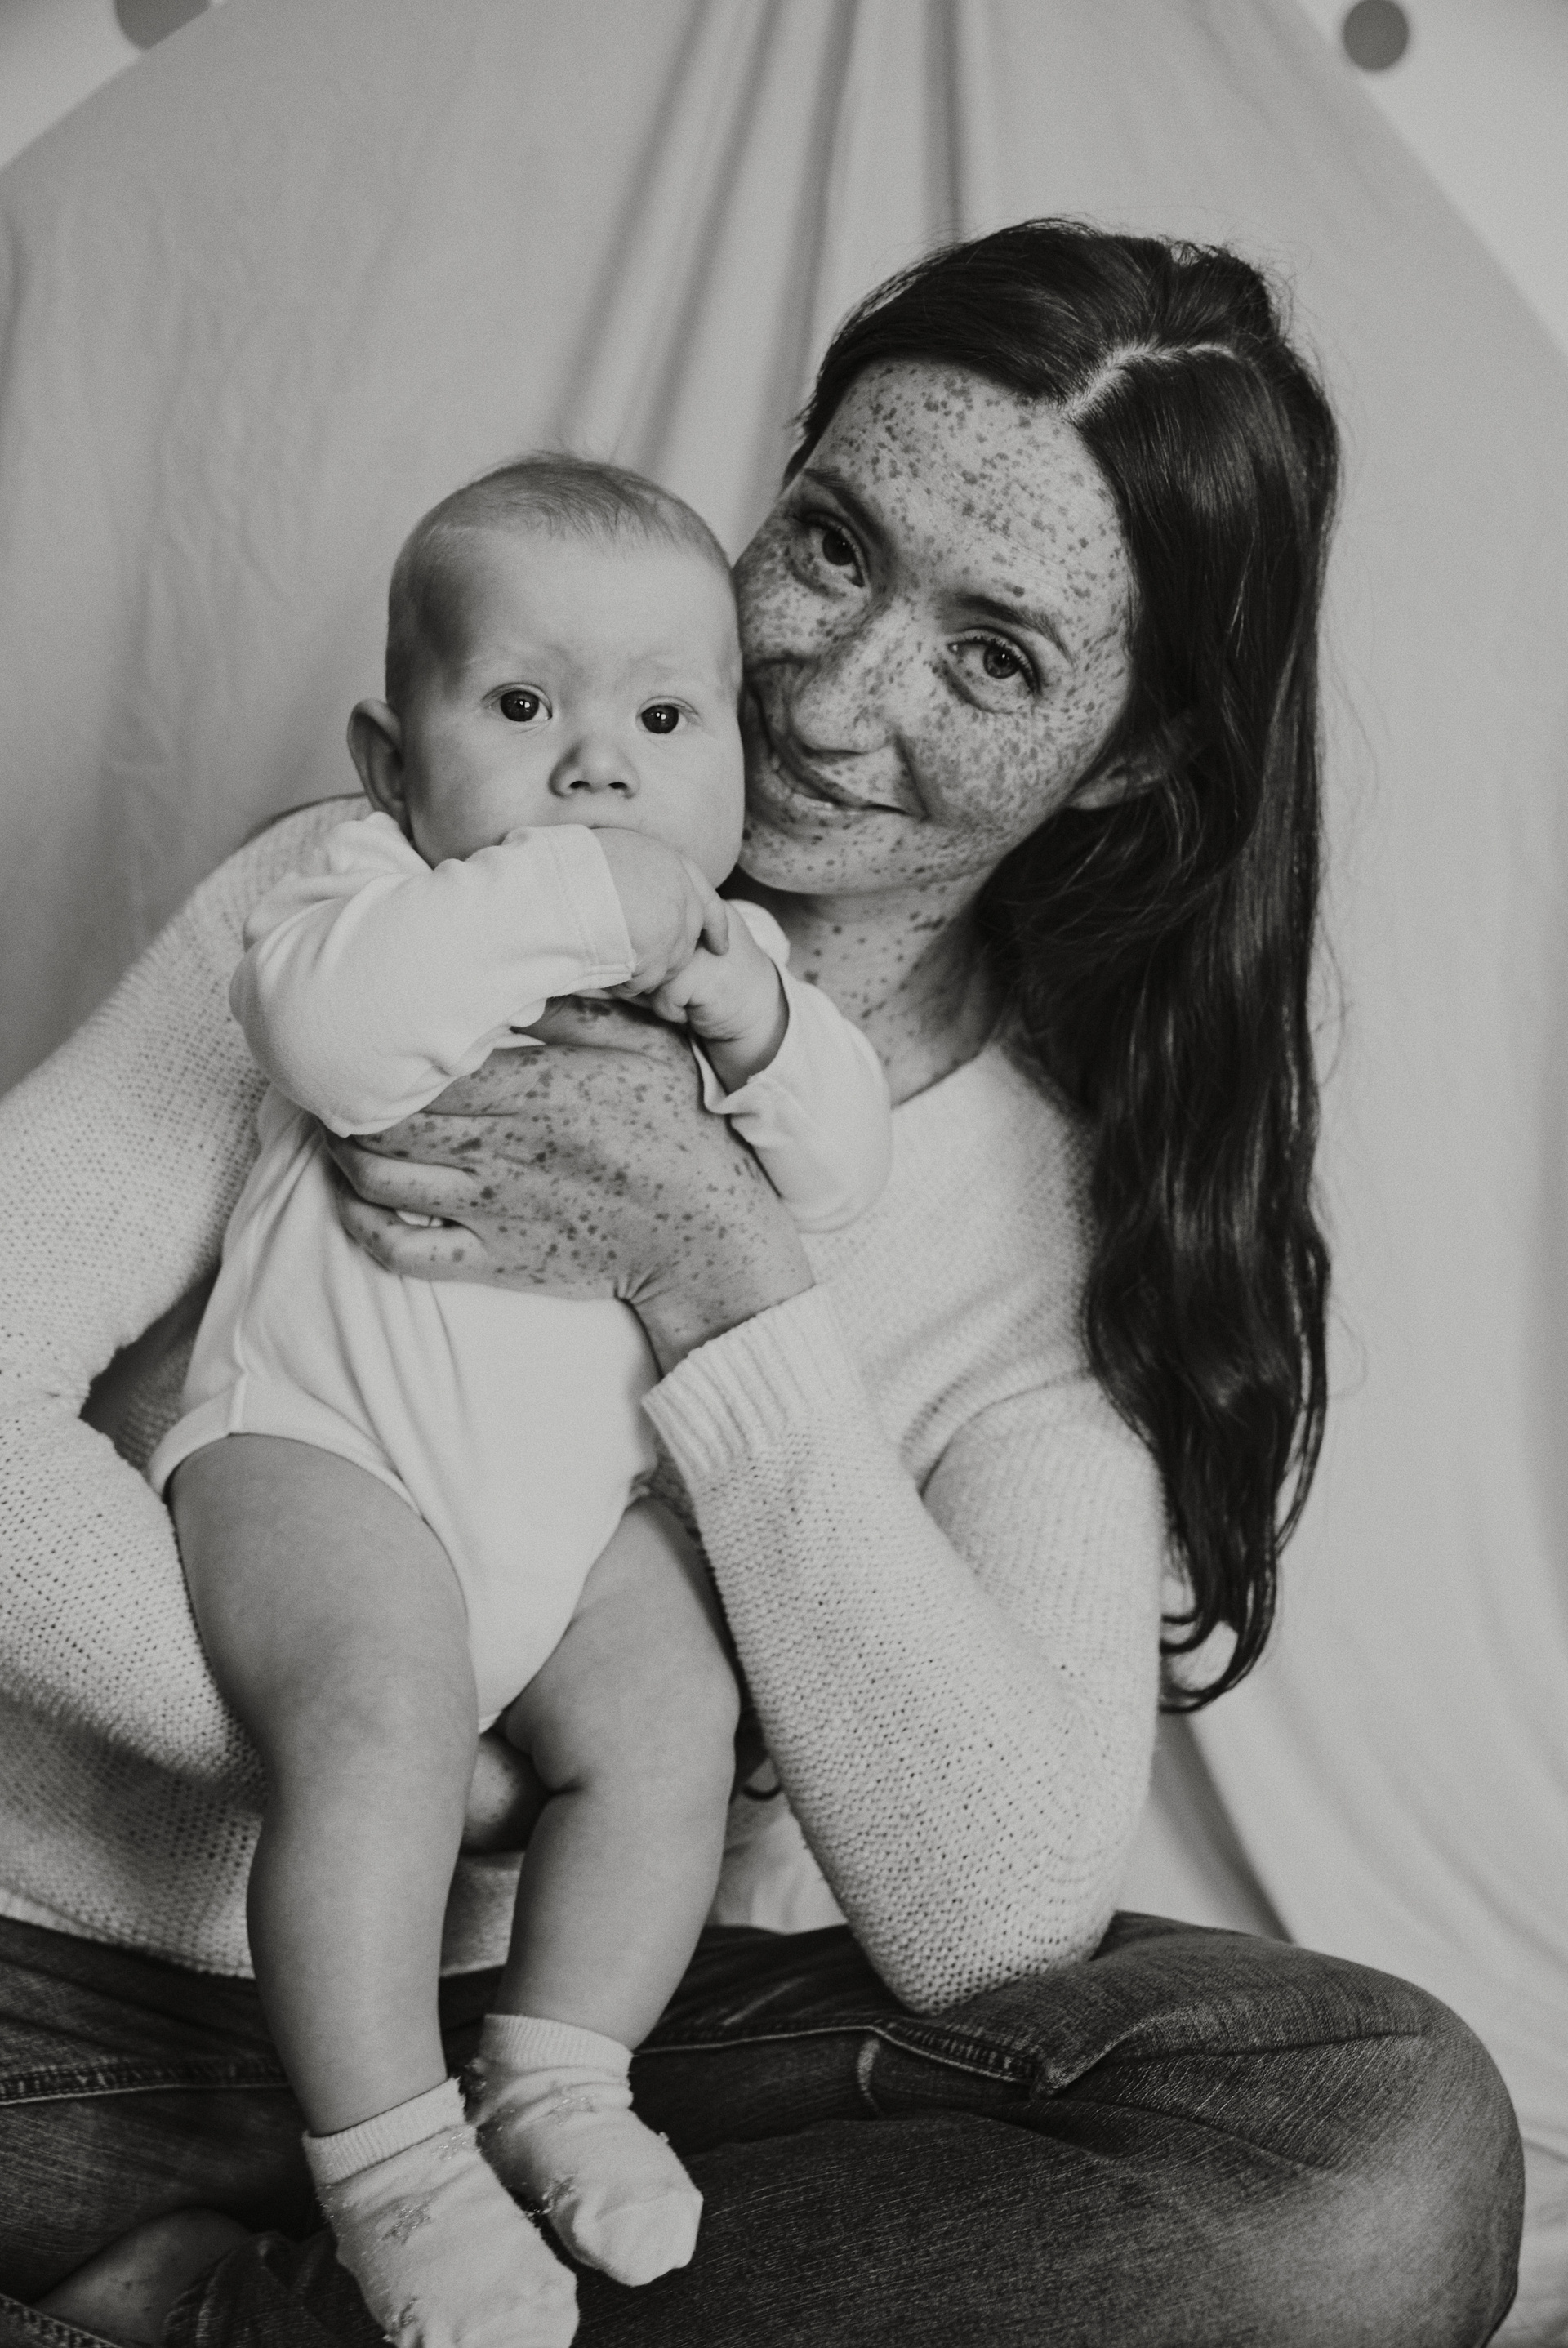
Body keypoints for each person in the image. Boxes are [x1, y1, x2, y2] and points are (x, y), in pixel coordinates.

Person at [0, 220, 1524, 2348]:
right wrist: (390, 1725)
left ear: (1126, 757)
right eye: (830, 545)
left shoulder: (1044, 1212)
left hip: (592, 2033)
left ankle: (241, 2320)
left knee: (1376, 2153)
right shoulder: (384, 902)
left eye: (995, 656)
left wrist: (723, 1278)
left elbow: (997, 1917)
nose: (825, 689)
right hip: (85, 2003)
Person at [144, 451, 890, 2348]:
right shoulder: (369, 883)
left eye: (664, 721)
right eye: (523, 707)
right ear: (393, 760)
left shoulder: (731, 966)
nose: (598, 770)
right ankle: (392, 2165)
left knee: (674, 1718)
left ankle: (559, 2075)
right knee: (378, 1719)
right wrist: (577, 902)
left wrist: (765, 1030)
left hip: (569, 1523)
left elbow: (829, 1195)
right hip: (320, 1451)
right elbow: (336, 1036)